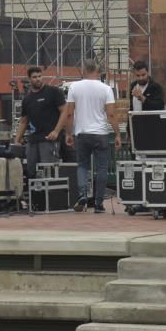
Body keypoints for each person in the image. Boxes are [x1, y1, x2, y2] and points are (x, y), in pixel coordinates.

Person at [49, 58, 122, 214]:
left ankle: (82, 195)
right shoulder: (106, 89)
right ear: (98, 70)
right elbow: (111, 114)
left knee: (82, 165)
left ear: (84, 70)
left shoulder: (75, 87)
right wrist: (117, 134)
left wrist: (68, 133)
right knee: (101, 168)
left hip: (82, 133)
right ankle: (99, 203)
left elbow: (69, 113)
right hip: (101, 133)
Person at [14, 65, 66, 184]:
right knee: (31, 172)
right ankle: (35, 200)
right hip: (33, 141)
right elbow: (23, 121)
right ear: (29, 79)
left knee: (48, 171)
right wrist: (17, 139)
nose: (38, 79)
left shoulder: (53, 92)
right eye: (34, 77)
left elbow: (65, 111)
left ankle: (51, 199)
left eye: (39, 76)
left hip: (49, 139)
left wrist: (56, 131)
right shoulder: (27, 99)